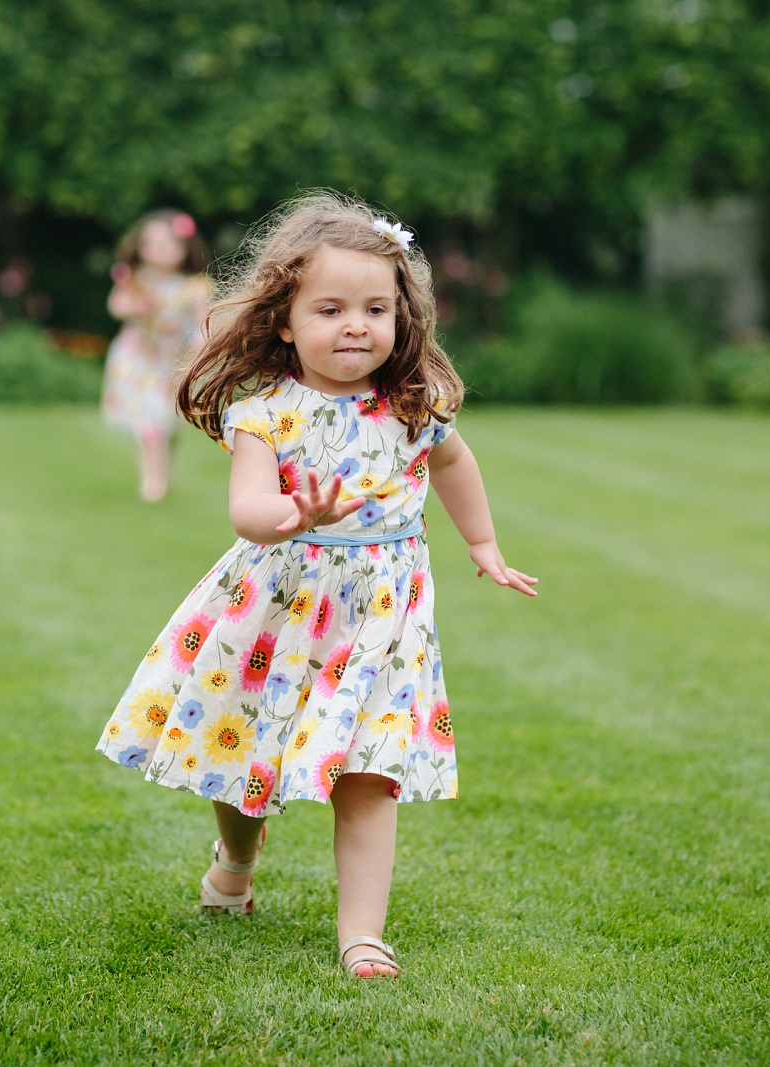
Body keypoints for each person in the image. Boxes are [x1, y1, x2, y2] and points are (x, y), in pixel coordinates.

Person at [95, 193, 537, 979]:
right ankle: (234, 863)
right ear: (285, 320)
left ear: (402, 317)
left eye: (375, 307)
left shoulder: (412, 405)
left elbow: (454, 462)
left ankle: (361, 934)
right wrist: (295, 510)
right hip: (276, 605)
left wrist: (483, 541)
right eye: (330, 308)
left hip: (381, 615)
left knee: (370, 770)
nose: (356, 325)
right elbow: (248, 511)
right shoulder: (266, 415)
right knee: (241, 754)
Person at [102, 210, 211, 501]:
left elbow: (203, 322)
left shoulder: (193, 286)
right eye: (152, 243)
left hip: (173, 360)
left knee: (167, 421)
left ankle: (163, 472)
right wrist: (136, 307)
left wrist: (200, 348)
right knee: (149, 419)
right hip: (139, 359)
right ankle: (152, 482)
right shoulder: (136, 280)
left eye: (168, 244)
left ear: (184, 248)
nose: (159, 250)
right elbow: (117, 306)